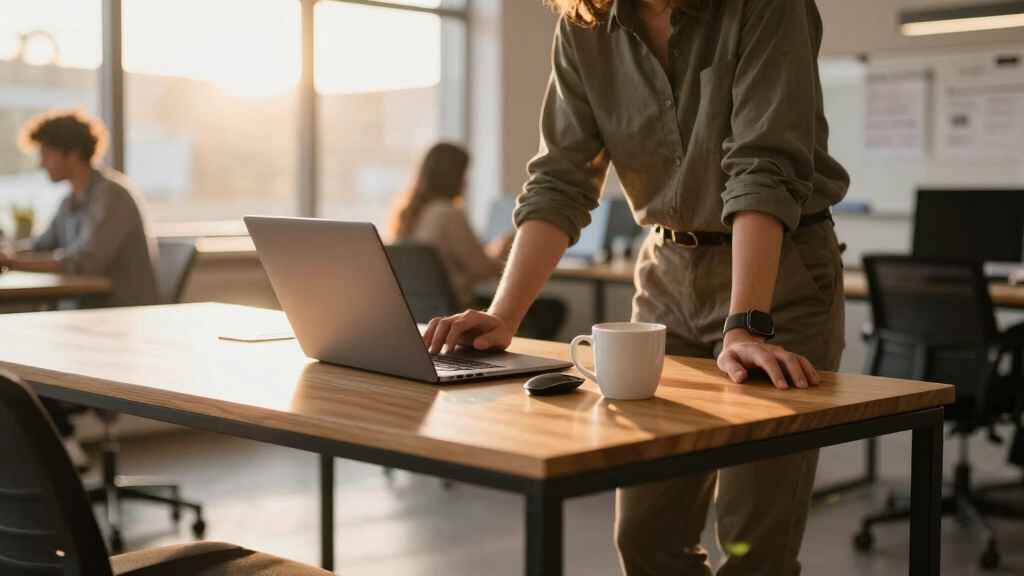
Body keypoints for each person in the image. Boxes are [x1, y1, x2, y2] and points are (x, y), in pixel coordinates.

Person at [423, 1, 849, 574]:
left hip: (778, 278)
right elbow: (560, 179)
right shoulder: (585, 25)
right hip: (666, 281)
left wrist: (747, 322)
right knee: (648, 537)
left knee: (754, 550)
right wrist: (504, 315)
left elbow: (764, 165)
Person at [1, 108, 158, 308]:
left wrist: (12, 263)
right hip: (84, 307)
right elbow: (42, 245)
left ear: (73, 154)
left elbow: (84, 262)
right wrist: (8, 252)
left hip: (119, 311)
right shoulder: (69, 201)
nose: (42, 164)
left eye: (47, 154)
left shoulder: (112, 197)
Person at [390, 143, 512, 310]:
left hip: (421, 314)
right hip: (457, 314)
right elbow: (482, 270)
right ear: (454, 176)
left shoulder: (411, 214)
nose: (466, 182)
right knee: (551, 309)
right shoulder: (447, 213)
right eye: (464, 175)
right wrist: (505, 250)